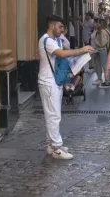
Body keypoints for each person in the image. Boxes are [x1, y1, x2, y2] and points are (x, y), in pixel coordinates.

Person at [38, 15, 94, 159]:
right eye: (60, 27)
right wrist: (81, 50)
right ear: (52, 26)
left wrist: (79, 54)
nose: (63, 30)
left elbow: (66, 50)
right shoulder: (47, 41)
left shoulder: (55, 39)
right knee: (53, 115)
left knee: (53, 114)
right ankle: (56, 148)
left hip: (54, 81)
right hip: (48, 81)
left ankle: (52, 144)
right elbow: (62, 53)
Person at [94, 19, 110, 89]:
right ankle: (103, 79)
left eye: (98, 23)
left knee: (104, 65)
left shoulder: (103, 31)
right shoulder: (104, 30)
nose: (97, 24)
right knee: (99, 64)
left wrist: (96, 42)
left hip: (102, 49)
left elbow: (103, 42)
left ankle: (107, 81)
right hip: (101, 50)